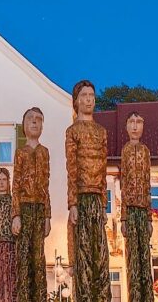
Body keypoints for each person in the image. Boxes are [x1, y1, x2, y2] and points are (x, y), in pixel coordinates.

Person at [65, 80, 110, 302]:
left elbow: (103, 169)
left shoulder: (101, 131)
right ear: (76, 101)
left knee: (101, 257)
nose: (89, 99)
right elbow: (71, 168)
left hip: (97, 200)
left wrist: (103, 204)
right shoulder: (72, 131)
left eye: (92, 95)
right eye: (84, 95)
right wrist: (72, 203)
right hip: (81, 199)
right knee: (83, 258)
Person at [12, 107, 50, 302]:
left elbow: (46, 184)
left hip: (39, 209)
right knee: (23, 258)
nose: (35, 122)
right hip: (25, 208)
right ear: (24, 125)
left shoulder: (44, 152)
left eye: (39, 119)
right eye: (31, 119)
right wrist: (16, 214)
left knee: (38, 258)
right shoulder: (20, 152)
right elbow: (16, 183)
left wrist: (47, 216)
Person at [120, 112, 153, 302]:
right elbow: (123, 184)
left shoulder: (145, 151)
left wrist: (149, 217)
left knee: (145, 256)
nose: (135, 126)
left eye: (138, 122)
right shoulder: (125, 150)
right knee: (133, 258)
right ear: (126, 127)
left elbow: (148, 183)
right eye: (131, 122)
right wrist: (123, 217)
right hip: (131, 210)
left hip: (143, 209)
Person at [0, 168, 17, 302]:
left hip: (12, 242)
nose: (1, 183)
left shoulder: (13, 200)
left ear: (8, 181)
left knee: (11, 274)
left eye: (4, 180)